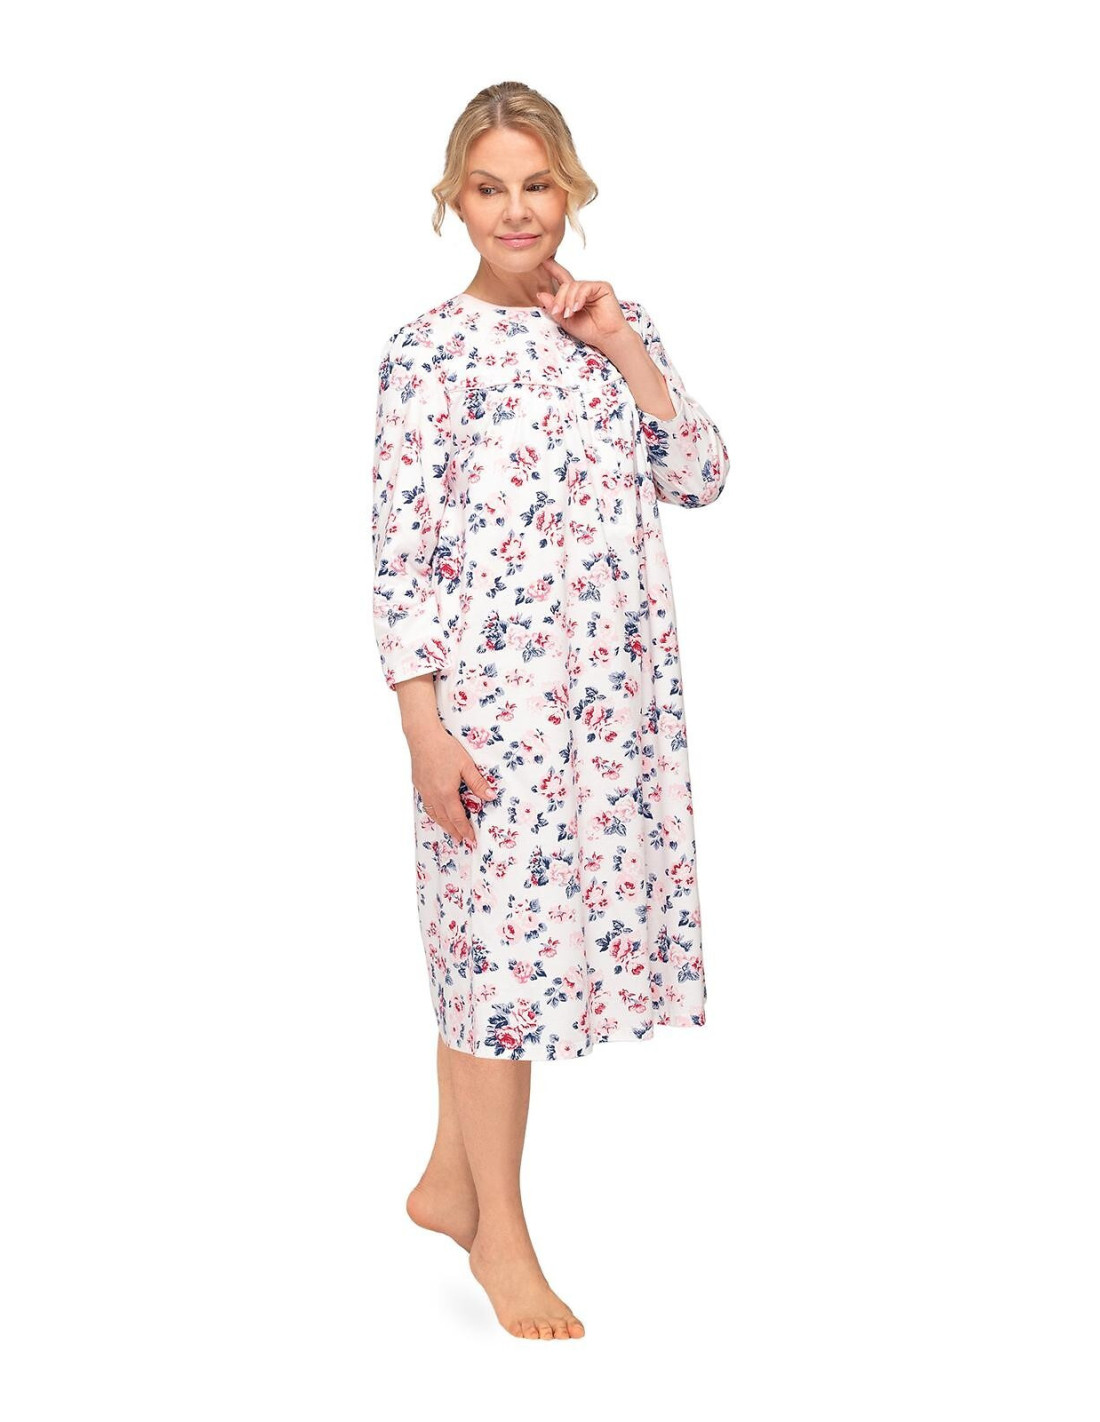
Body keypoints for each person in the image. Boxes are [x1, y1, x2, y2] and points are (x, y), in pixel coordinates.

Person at [370, 81, 731, 1341]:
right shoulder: (427, 351)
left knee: (497, 957)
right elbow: (400, 555)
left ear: (569, 191)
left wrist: (619, 343)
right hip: (490, 714)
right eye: (489, 188)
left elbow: (701, 475)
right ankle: (500, 1239)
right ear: (453, 201)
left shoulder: (612, 325)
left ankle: (446, 1179)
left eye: (536, 185)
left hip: (608, 712)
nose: (515, 210)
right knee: (496, 968)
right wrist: (423, 728)